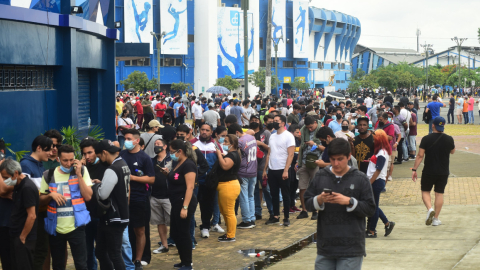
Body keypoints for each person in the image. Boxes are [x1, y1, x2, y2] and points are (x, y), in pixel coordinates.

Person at [304, 138, 375, 270]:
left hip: (351, 248)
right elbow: (307, 203)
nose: (336, 163)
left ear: (349, 156)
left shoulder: (360, 178)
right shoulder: (320, 176)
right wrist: (319, 199)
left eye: (340, 159)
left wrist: (349, 201)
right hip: (326, 247)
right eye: (332, 159)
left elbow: (370, 209)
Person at [39, 145, 93, 270]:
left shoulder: (82, 171)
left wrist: (79, 175)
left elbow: (88, 196)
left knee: (81, 264)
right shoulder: (48, 174)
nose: (68, 164)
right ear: (58, 159)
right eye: (65, 160)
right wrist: (51, 195)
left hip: (77, 226)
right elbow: (41, 200)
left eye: (71, 160)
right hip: (55, 227)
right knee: (58, 265)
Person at [120, 129, 155, 269]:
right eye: (125, 139)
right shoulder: (121, 155)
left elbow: (151, 179)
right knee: (124, 231)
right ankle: (126, 258)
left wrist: (133, 178)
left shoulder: (144, 158)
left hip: (139, 199)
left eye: (129, 139)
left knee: (139, 230)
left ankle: (138, 260)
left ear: (136, 141)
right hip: (122, 199)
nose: (126, 141)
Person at [93, 140, 131, 270]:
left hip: (114, 217)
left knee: (114, 254)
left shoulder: (112, 169)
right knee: (101, 252)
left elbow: (103, 194)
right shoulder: (123, 164)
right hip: (120, 214)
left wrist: (95, 186)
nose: (99, 160)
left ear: (104, 153)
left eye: (99, 157)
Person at [412, 117, 455, 226]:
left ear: (433, 125)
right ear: (443, 126)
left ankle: (430, 209)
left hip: (429, 170)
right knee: (439, 193)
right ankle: (436, 219)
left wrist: (414, 169)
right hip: (443, 171)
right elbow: (453, 151)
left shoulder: (426, 139)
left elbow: (420, 155)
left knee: (425, 191)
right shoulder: (449, 139)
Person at [0, 158, 39, 270]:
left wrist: (22, 237)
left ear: (16, 173)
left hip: (24, 237)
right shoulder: (18, 185)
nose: (4, 180)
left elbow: (32, 216)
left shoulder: (27, 187)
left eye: (6, 178)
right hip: (15, 234)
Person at [167, 140, 198, 270]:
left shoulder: (189, 165)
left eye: (172, 152)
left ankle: (187, 263)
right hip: (175, 202)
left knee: (183, 233)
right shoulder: (178, 163)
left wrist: (184, 207)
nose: (170, 155)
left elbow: (190, 187)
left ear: (180, 151)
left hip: (184, 202)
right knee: (176, 232)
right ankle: (183, 259)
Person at [190, 124, 222, 239]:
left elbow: (221, 160)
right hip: (194, 181)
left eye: (207, 130)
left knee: (207, 206)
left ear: (211, 132)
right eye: (202, 129)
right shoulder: (192, 143)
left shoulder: (216, 145)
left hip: (209, 181)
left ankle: (205, 227)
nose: (204, 132)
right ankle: (191, 228)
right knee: (192, 206)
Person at [263, 115, 295, 226]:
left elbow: (291, 154)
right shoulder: (272, 136)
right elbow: (269, 153)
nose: (274, 122)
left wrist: (286, 170)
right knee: (274, 194)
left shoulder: (289, 136)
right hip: (272, 169)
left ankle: (286, 217)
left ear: (283, 123)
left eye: (276, 121)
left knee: (285, 194)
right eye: (273, 121)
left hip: (283, 169)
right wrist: (265, 169)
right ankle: (275, 216)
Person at [365, 130, 395, 238]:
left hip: (376, 182)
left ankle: (372, 231)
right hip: (376, 181)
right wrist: (371, 161)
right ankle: (387, 223)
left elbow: (378, 170)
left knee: (374, 207)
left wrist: (369, 183)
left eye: (374, 138)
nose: (372, 140)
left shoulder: (382, 153)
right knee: (375, 206)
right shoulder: (380, 151)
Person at [228, 124, 257, 229]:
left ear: (236, 132)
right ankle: (252, 218)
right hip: (253, 170)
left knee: (244, 196)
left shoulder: (240, 141)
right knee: (250, 196)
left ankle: (246, 220)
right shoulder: (252, 138)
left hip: (244, 171)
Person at [214, 134, 241, 242]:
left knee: (229, 211)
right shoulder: (232, 154)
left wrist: (219, 155)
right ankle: (229, 233)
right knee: (224, 210)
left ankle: (231, 235)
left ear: (232, 144)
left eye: (226, 142)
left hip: (229, 186)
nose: (223, 144)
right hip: (225, 186)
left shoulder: (233, 155)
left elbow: (225, 166)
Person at [296, 116, 322, 220]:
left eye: (311, 127)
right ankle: (304, 210)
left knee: (315, 186)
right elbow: (301, 147)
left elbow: (325, 147)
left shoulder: (321, 130)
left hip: (316, 161)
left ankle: (315, 210)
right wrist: (297, 162)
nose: (310, 129)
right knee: (302, 187)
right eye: (308, 127)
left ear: (315, 123)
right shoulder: (303, 130)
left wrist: (314, 144)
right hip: (304, 161)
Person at [249, 116, 274, 221]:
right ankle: (257, 212)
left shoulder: (266, 133)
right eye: (252, 120)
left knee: (266, 189)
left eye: (256, 120)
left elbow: (270, 149)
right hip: (251, 167)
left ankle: (272, 211)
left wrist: (260, 144)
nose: (254, 122)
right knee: (253, 191)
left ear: (260, 122)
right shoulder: (248, 134)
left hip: (263, 166)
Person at [150, 140, 172, 254]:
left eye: (158, 144)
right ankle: (164, 245)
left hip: (169, 196)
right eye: (155, 144)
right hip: (154, 196)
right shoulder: (151, 161)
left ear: (165, 146)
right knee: (160, 222)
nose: (156, 146)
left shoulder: (171, 160)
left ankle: (183, 243)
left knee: (174, 221)